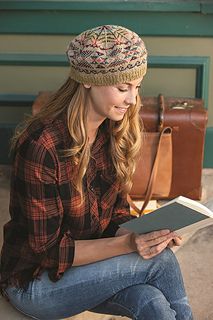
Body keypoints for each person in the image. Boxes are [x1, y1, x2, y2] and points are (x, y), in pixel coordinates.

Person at [0, 25, 193, 320]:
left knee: (152, 301)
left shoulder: (111, 130)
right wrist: (129, 244)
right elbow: (48, 251)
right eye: (122, 88)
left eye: (137, 87)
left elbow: (114, 214)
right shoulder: (43, 145)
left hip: (86, 270)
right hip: (36, 283)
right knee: (159, 263)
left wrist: (149, 232)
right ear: (89, 81)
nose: (131, 101)